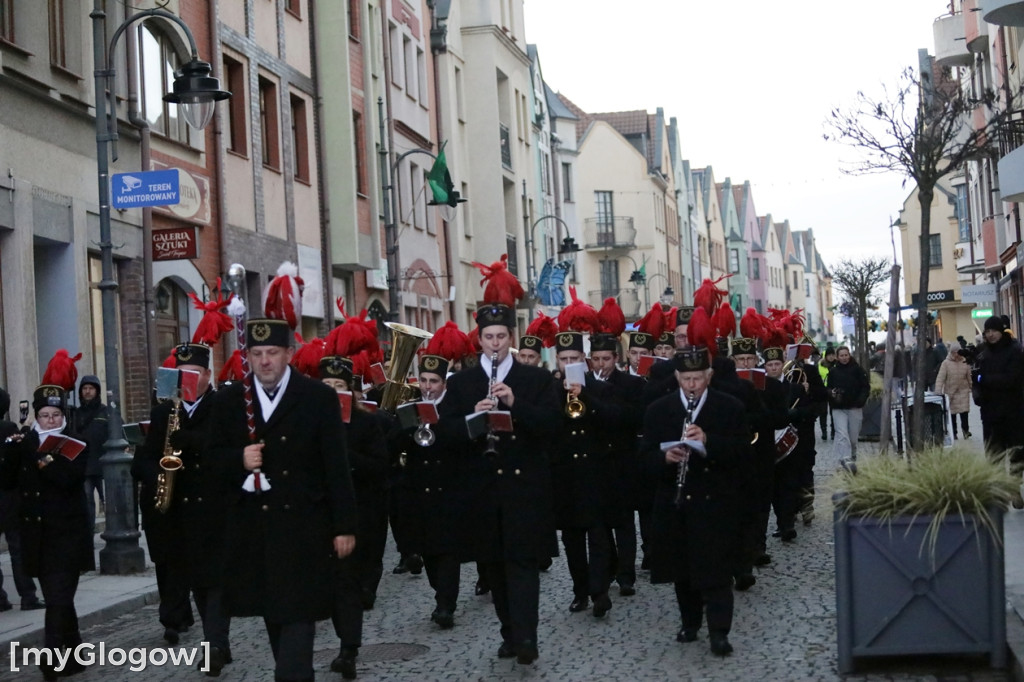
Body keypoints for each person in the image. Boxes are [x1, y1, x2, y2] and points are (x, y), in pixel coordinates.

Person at [208, 314, 358, 682]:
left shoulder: (317, 398)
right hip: (255, 530)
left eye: (272, 352)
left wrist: (344, 526)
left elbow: (335, 466)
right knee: (275, 613)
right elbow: (210, 462)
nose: (264, 361)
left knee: (298, 617)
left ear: (289, 353)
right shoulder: (230, 401)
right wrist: (238, 459)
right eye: (256, 353)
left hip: (305, 528)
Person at [438, 300, 560, 665]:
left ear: (511, 337)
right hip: (482, 491)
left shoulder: (535, 379)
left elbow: (552, 427)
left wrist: (515, 404)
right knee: (493, 567)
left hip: (523, 490)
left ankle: (527, 638)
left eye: (501, 336)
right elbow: (445, 433)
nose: (495, 343)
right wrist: (472, 420)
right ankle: (509, 631)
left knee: (522, 564)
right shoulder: (462, 382)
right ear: (479, 340)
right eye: (488, 337)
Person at [132, 342, 232, 674]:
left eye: (193, 373)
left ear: (206, 375)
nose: (187, 379)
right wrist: (158, 473)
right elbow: (143, 459)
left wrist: (191, 442)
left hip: (211, 509)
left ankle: (215, 643)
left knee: (212, 580)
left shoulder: (222, 407)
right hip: (175, 511)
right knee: (185, 575)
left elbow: (231, 452)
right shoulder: (165, 411)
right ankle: (193, 627)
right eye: (182, 373)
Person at [643, 345, 748, 656]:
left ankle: (719, 631)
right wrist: (664, 457)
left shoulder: (729, 407)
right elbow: (642, 458)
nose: (691, 385)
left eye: (698, 378)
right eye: (686, 378)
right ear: (677, 376)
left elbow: (744, 452)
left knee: (716, 569)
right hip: (676, 499)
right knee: (683, 568)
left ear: (709, 376)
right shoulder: (658, 410)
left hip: (716, 500)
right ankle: (690, 622)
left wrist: (709, 441)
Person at [0, 370, 94, 680]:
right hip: (36, 535)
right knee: (60, 599)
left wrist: (41, 457)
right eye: (45, 415)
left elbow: (68, 480)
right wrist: (12, 451)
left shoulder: (74, 442)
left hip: (66, 534)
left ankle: (51, 657)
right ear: (37, 416)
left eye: (55, 415)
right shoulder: (26, 443)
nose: (51, 420)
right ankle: (75, 653)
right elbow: (9, 481)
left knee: (57, 597)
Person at [318, 355, 389, 680]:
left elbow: (379, 467)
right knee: (332, 584)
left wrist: (347, 455)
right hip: (321, 514)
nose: (333, 392)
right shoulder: (311, 421)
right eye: (327, 386)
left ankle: (349, 649)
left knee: (349, 582)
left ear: (351, 391)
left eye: (339, 386)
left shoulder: (366, 423)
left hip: (360, 512)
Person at [550, 329, 620, 618]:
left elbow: (613, 420)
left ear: (585, 360)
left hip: (596, 473)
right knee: (572, 539)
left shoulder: (599, 388)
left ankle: (599, 590)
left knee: (599, 535)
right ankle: (580, 590)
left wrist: (587, 397)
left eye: (575, 358)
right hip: (565, 476)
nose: (569, 364)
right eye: (564, 359)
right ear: (557, 360)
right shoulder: (550, 392)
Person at [589, 332, 647, 593]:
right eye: (596, 359)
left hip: (622, 460)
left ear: (616, 358)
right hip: (594, 462)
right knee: (599, 523)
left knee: (624, 522)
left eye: (606, 358)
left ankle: (626, 574)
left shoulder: (631, 385)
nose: (601, 364)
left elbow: (631, 417)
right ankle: (608, 567)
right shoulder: (581, 384)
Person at [0, 389, 43, 612]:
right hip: (8, 496)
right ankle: (28, 595)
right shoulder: (8, 429)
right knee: (17, 548)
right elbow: (22, 455)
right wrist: (25, 428)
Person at [973, 315, 1024, 501]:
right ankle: (1001, 489)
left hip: (1013, 411)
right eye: (987, 331)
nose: (991, 335)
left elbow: (1011, 379)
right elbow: (976, 378)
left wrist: (984, 380)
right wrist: (977, 393)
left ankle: (1014, 487)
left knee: (1017, 452)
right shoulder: (983, 354)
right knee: (994, 453)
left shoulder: (1015, 351)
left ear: (1001, 331)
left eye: (994, 331)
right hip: (990, 411)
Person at [73, 376, 107, 534]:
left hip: (104, 464)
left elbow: (119, 430)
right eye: (84, 388)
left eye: (91, 388)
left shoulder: (106, 411)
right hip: (85, 465)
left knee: (108, 499)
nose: (87, 391)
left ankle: (114, 529)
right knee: (87, 501)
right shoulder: (75, 414)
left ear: (97, 391)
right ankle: (88, 532)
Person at [827, 346, 870, 462]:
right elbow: (828, 388)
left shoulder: (858, 370)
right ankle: (845, 459)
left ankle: (853, 451)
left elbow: (865, 387)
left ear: (849, 355)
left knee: (852, 437)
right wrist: (832, 393)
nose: (844, 358)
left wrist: (861, 400)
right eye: (841, 355)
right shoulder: (833, 372)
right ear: (837, 357)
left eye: (846, 355)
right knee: (842, 434)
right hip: (838, 408)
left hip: (854, 407)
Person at [934, 342, 972, 440]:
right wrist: (938, 390)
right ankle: (954, 432)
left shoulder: (965, 362)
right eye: (954, 352)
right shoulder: (946, 363)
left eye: (958, 352)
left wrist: (973, 387)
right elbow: (940, 377)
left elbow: (969, 377)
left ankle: (965, 431)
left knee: (964, 413)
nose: (956, 354)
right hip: (951, 391)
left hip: (963, 390)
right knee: (952, 414)